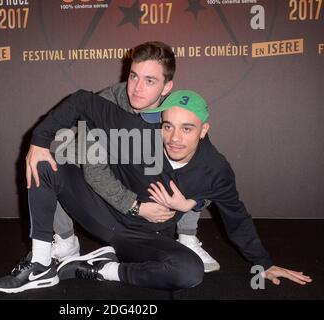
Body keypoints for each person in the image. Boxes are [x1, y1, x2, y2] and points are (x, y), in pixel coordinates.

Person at [0, 89, 312, 292]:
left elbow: (237, 219)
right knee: (46, 164)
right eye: (167, 126)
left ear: (204, 131)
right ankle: (42, 262)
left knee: (189, 272)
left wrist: (264, 263)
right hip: (105, 214)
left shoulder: (215, 169)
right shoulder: (137, 131)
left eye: (187, 129)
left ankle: (104, 269)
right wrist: (39, 140)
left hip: (144, 239)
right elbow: (81, 100)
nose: (174, 137)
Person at [26, 41, 220, 272]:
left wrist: (188, 203)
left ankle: (187, 237)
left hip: (157, 202)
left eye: (150, 81)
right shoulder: (106, 103)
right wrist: (136, 206)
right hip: (112, 193)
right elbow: (95, 170)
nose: (137, 88)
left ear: (167, 87)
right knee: (55, 159)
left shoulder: (179, 111)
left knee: (184, 158)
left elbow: (206, 173)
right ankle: (66, 240)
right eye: (134, 76)